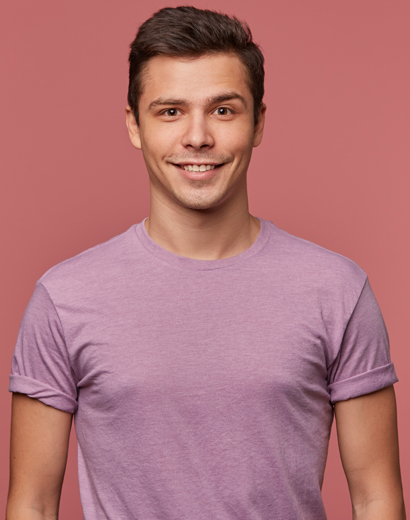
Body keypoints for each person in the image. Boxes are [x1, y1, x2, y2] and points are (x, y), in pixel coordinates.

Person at [6, 6, 405, 520]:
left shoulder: (338, 291)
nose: (197, 137)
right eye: (171, 111)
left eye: (223, 110)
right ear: (134, 125)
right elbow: (33, 505)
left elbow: (376, 498)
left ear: (258, 122)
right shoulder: (64, 298)